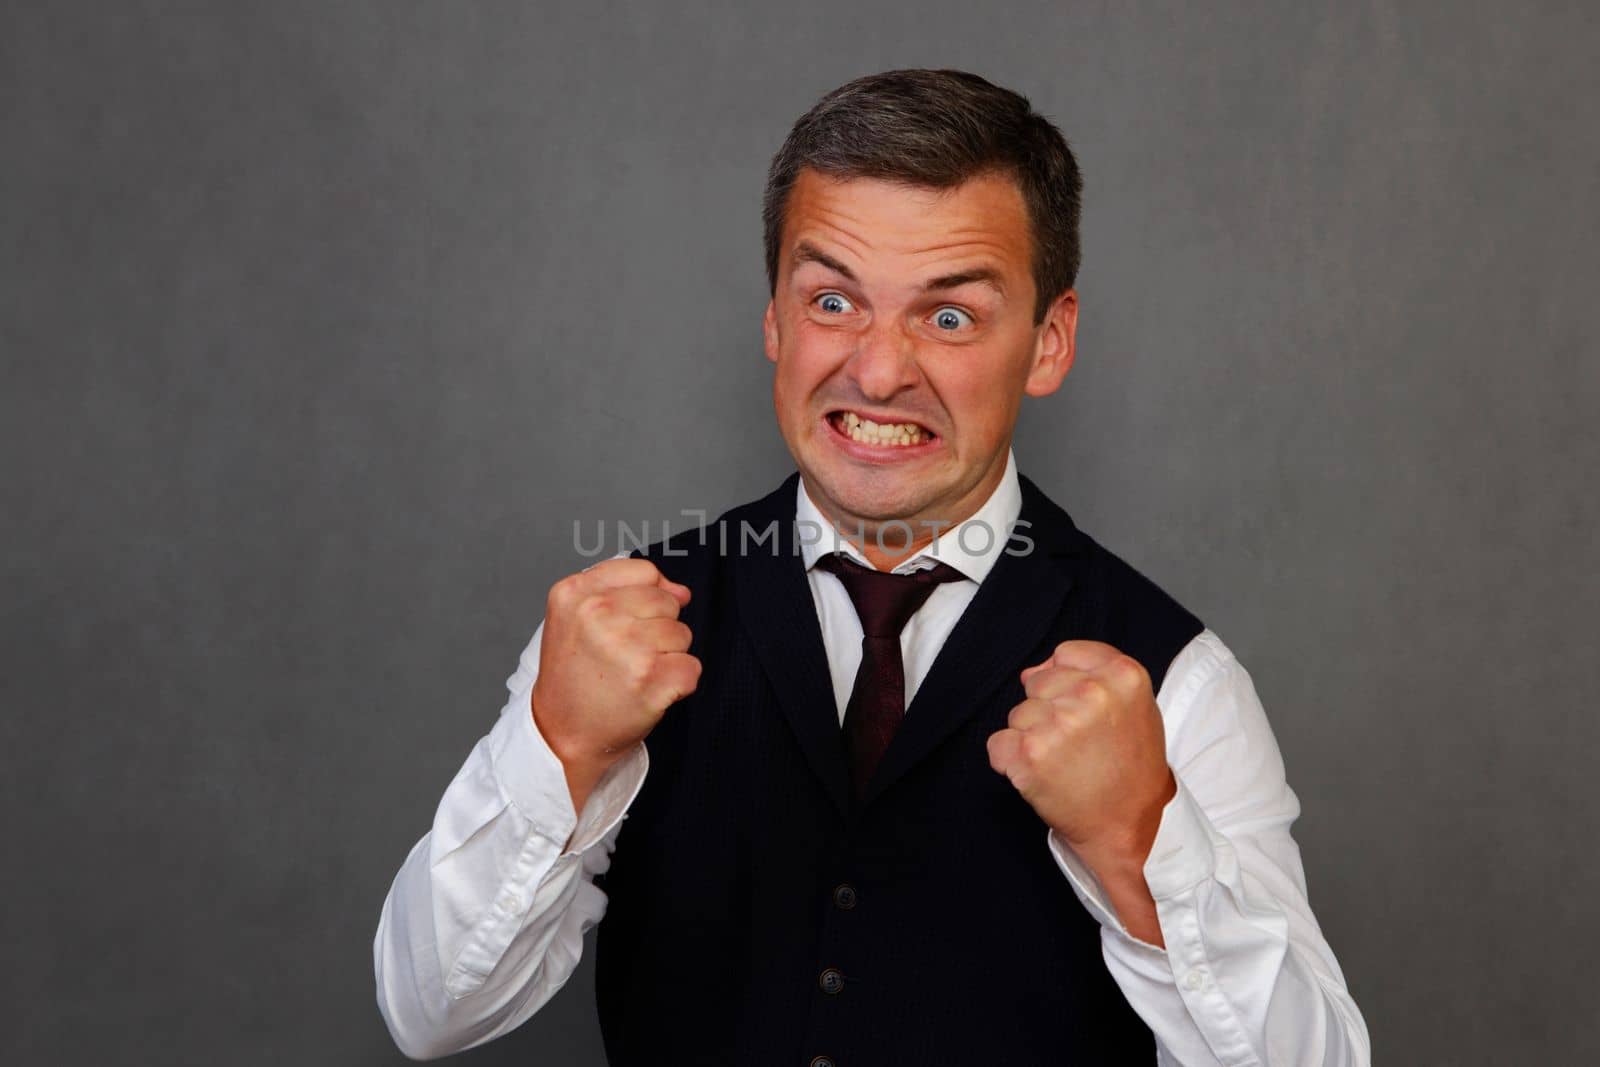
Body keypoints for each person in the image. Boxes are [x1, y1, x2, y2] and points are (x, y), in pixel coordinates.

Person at [373, 68, 1370, 1065]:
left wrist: (1139, 841)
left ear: (1048, 341)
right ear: (774, 316)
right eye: (834, 299)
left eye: (948, 316)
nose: (880, 368)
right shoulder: (617, 624)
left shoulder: (1174, 680)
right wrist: (558, 745)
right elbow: (430, 1011)